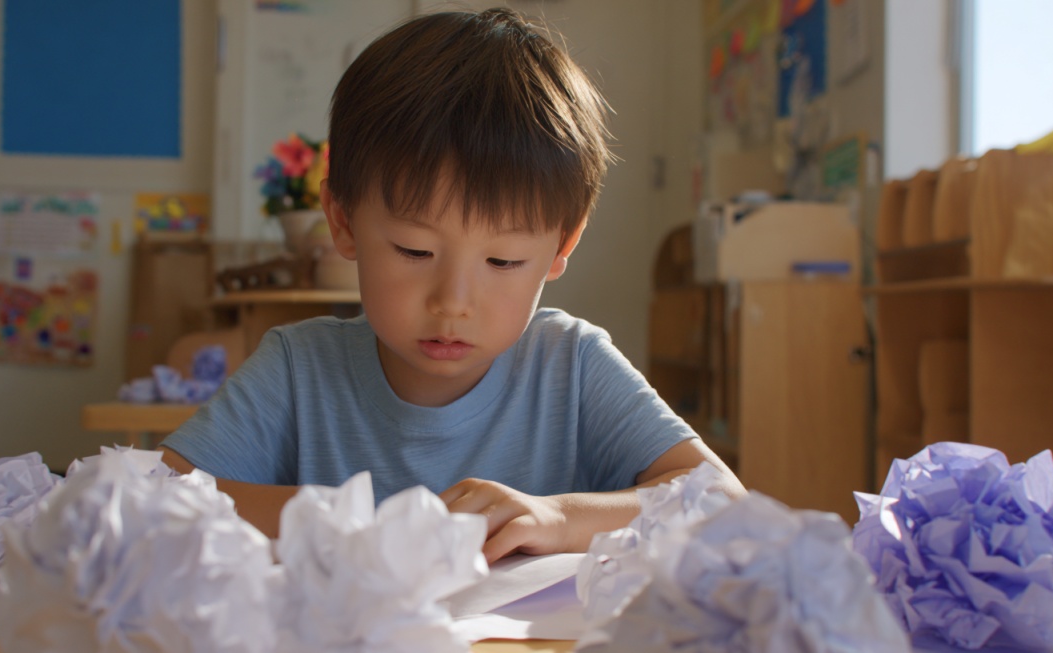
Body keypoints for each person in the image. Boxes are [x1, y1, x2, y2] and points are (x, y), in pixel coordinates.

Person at [160, 7, 743, 563]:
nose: (453, 302)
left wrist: (558, 518)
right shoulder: (298, 368)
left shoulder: (573, 364)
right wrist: (356, 521)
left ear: (562, 245)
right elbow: (154, 495)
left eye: (505, 260)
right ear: (342, 221)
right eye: (415, 250)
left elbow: (720, 500)